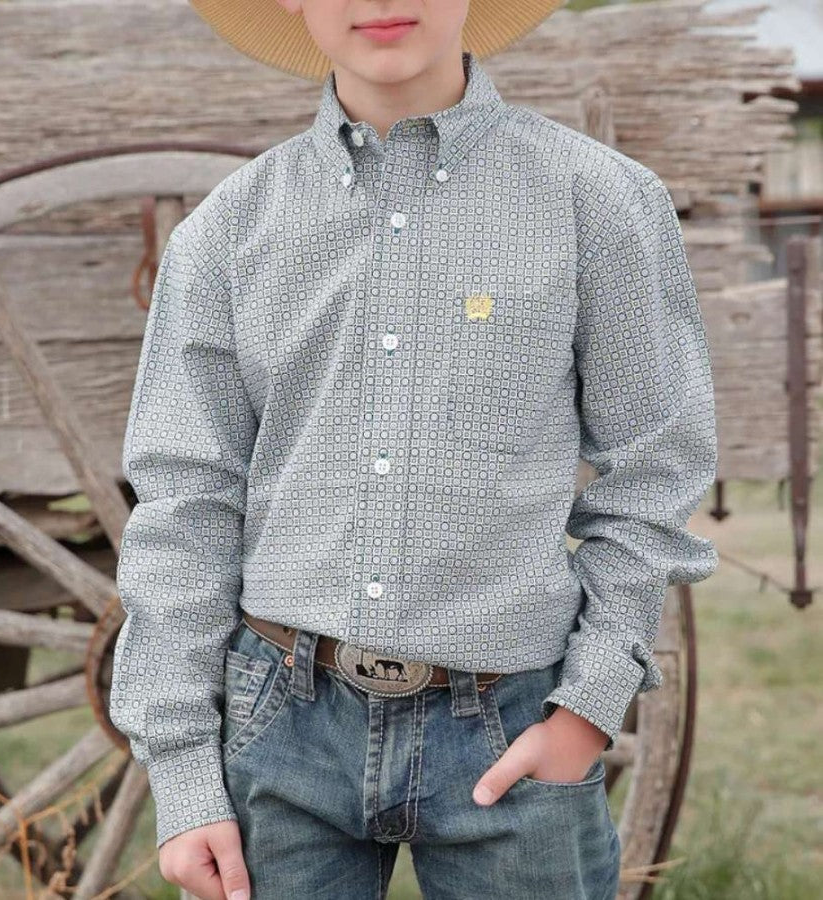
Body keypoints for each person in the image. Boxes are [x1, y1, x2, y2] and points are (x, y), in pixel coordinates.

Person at [108, 1, 719, 898]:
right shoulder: (229, 232)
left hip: (513, 720)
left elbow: (656, 469)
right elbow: (184, 509)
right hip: (282, 727)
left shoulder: (599, 202)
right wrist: (187, 777)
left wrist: (587, 708)